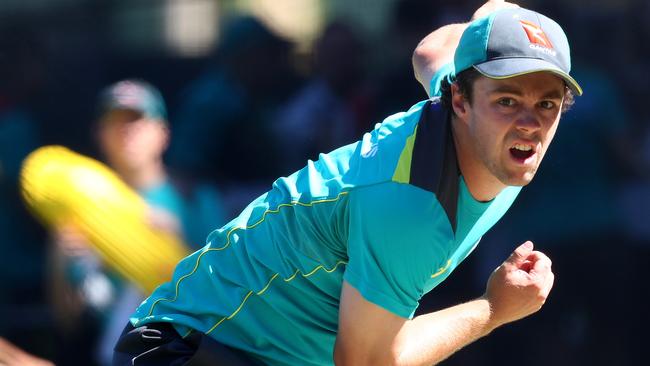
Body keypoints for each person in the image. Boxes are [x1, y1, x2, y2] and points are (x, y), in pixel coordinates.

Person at [114, 1, 582, 365]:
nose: (529, 123)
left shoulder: (466, 106)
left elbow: (430, 52)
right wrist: (493, 309)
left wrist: (495, 20)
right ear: (460, 100)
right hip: (192, 348)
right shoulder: (410, 207)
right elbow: (366, 362)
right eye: (507, 99)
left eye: (547, 104)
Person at [48, 79, 226, 365]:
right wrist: (59, 257)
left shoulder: (194, 199)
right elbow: (66, 321)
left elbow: (226, 295)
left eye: (138, 121)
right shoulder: (78, 204)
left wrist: (179, 246)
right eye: (116, 122)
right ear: (99, 134)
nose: (127, 132)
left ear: (163, 133)